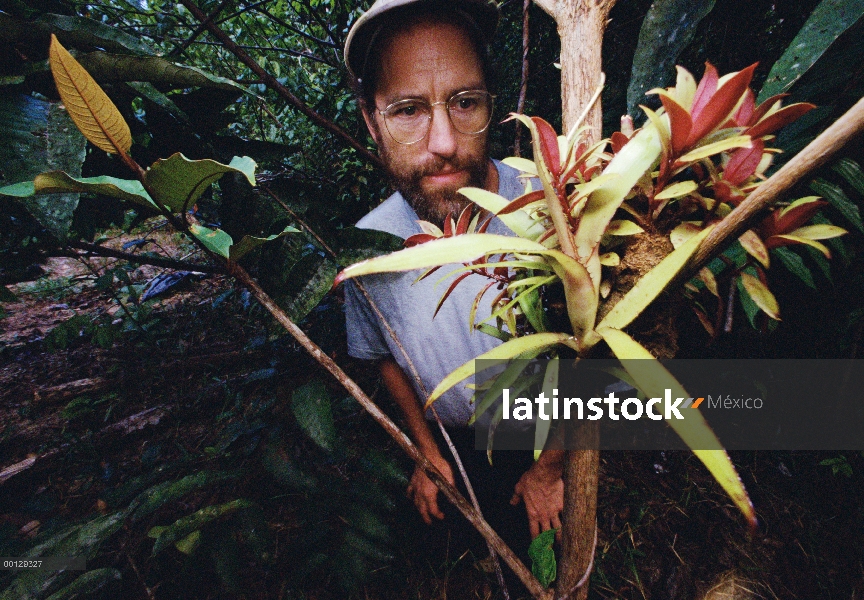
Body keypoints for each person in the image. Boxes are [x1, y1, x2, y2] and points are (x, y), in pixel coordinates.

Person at [342, 0, 565, 553]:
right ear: (371, 119)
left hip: (550, 438)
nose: (443, 142)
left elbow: (602, 357)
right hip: (455, 442)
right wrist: (426, 450)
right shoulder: (368, 250)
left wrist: (551, 468)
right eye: (408, 110)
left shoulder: (554, 204)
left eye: (465, 102)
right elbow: (381, 355)